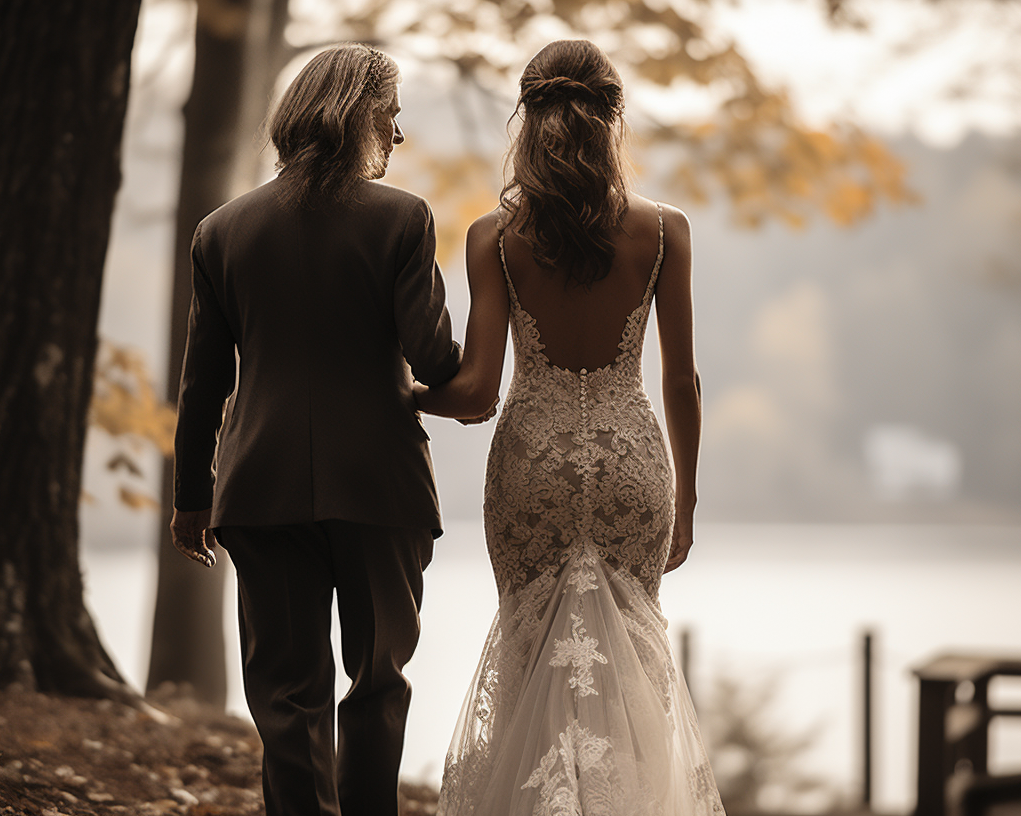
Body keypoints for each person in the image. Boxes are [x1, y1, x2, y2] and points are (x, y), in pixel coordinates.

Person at [415, 40, 724, 814]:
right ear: (613, 120)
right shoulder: (665, 231)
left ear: (528, 118)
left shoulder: (493, 235)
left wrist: (401, 394)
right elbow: (680, 380)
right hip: (632, 468)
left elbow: (478, 385)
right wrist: (686, 499)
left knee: (532, 659)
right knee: (629, 671)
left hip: (531, 468)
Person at [168, 44, 462, 816]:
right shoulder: (403, 218)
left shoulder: (220, 231)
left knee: (287, 697)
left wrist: (190, 496)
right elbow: (432, 356)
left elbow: (204, 383)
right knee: (377, 681)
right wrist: (475, 371)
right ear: (359, 114)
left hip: (259, 489)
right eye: (392, 118)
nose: (397, 138)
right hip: (380, 485)